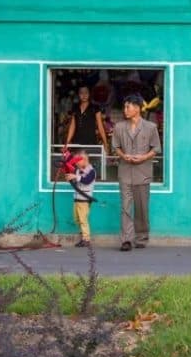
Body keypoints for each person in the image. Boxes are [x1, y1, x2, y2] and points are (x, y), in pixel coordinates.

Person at [112, 94, 162, 251]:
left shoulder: (151, 127)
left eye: (128, 106)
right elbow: (116, 147)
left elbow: (156, 149)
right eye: (125, 106)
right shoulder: (119, 127)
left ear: (137, 108)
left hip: (143, 171)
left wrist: (143, 157)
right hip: (125, 171)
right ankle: (126, 239)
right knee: (125, 207)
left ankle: (141, 237)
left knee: (141, 207)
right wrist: (123, 155)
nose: (125, 110)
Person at [64, 150, 97, 247]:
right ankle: (83, 233)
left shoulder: (91, 171)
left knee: (83, 219)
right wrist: (67, 154)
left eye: (77, 161)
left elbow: (86, 181)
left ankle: (86, 239)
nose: (76, 164)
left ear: (84, 160)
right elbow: (71, 168)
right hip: (77, 198)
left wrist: (75, 176)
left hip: (85, 199)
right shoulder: (78, 170)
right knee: (76, 219)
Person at [65, 85, 110, 153]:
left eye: (86, 93)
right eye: (81, 93)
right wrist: (67, 143)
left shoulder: (95, 108)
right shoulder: (75, 107)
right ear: (78, 94)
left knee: (90, 162)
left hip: (90, 142)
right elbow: (72, 126)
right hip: (77, 142)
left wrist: (105, 143)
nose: (84, 95)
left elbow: (100, 126)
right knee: (77, 162)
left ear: (89, 94)